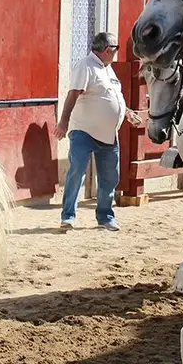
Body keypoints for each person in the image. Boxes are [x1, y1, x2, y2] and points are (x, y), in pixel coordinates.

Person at [54, 32, 142, 231]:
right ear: (107, 50)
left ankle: (105, 217)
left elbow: (112, 97)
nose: (116, 52)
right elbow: (73, 94)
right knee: (77, 172)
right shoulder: (86, 66)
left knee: (110, 177)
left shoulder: (108, 69)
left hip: (109, 135)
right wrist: (63, 122)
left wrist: (126, 113)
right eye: (115, 49)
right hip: (83, 131)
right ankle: (68, 216)